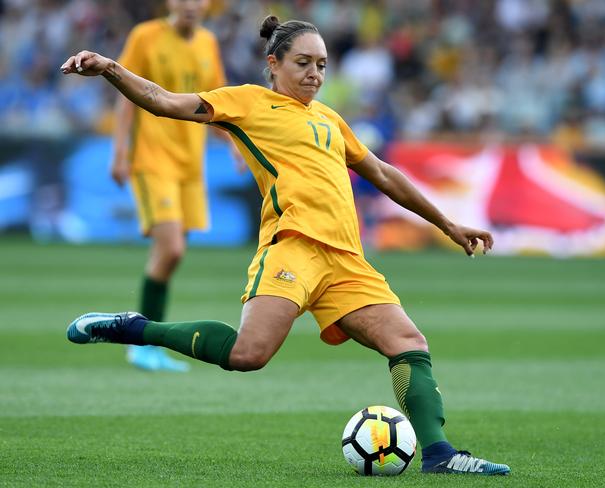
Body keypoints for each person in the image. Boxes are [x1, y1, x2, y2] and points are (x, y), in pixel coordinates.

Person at [61, 16, 510, 475]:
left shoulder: (330, 119)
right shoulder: (249, 103)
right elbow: (163, 101)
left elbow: (383, 174)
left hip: (345, 260)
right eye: (303, 63)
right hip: (293, 246)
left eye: (322, 65)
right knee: (247, 355)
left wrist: (448, 224)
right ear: (273, 64)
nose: (314, 73)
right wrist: (111, 69)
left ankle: (439, 454)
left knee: (408, 341)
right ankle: (136, 328)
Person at [110, 0, 234, 371]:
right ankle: (141, 343)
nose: (191, 5)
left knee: (170, 255)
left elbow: (219, 101)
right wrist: (119, 151)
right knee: (172, 249)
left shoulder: (207, 43)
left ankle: (145, 342)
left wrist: (236, 145)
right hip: (152, 160)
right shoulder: (145, 37)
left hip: (190, 165)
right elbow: (126, 94)